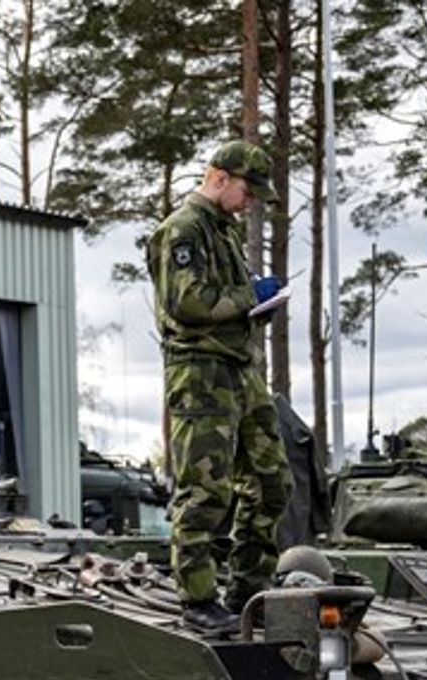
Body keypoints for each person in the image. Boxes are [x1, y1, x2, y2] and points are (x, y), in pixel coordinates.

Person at [147, 138, 289, 637]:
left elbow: (226, 303)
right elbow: (188, 302)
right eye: (248, 191)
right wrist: (251, 293)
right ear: (220, 177)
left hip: (238, 368)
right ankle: (198, 599)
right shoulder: (182, 230)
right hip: (201, 371)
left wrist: (258, 306)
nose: (250, 203)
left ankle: (248, 592)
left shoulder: (221, 231)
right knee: (205, 491)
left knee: (272, 481)